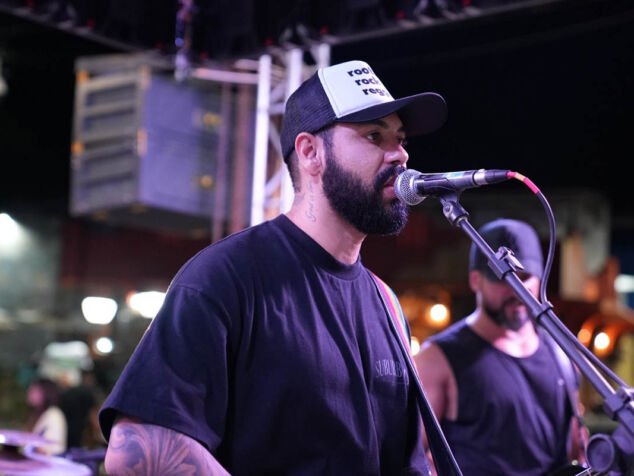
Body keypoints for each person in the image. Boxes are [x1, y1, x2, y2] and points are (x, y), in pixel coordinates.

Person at [98, 59, 448, 475]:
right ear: (311, 152)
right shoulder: (227, 277)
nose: (400, 155)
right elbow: (137, 448)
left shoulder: (386, 305)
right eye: (375, 136)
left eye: (401, 139)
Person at [414, 218, 588, 476]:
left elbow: (577, 448)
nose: (516, 290)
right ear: (475, 280)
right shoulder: (437, 359)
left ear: (540, 279)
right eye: (502, 277)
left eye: (524, 278)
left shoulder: (561, 354)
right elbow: (410, 458)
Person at [25, 376, 68, 456]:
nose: (29, 394)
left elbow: (54, 449)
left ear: (46, 393)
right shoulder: (38, 414)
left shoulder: (54, 415)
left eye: (34, 391)